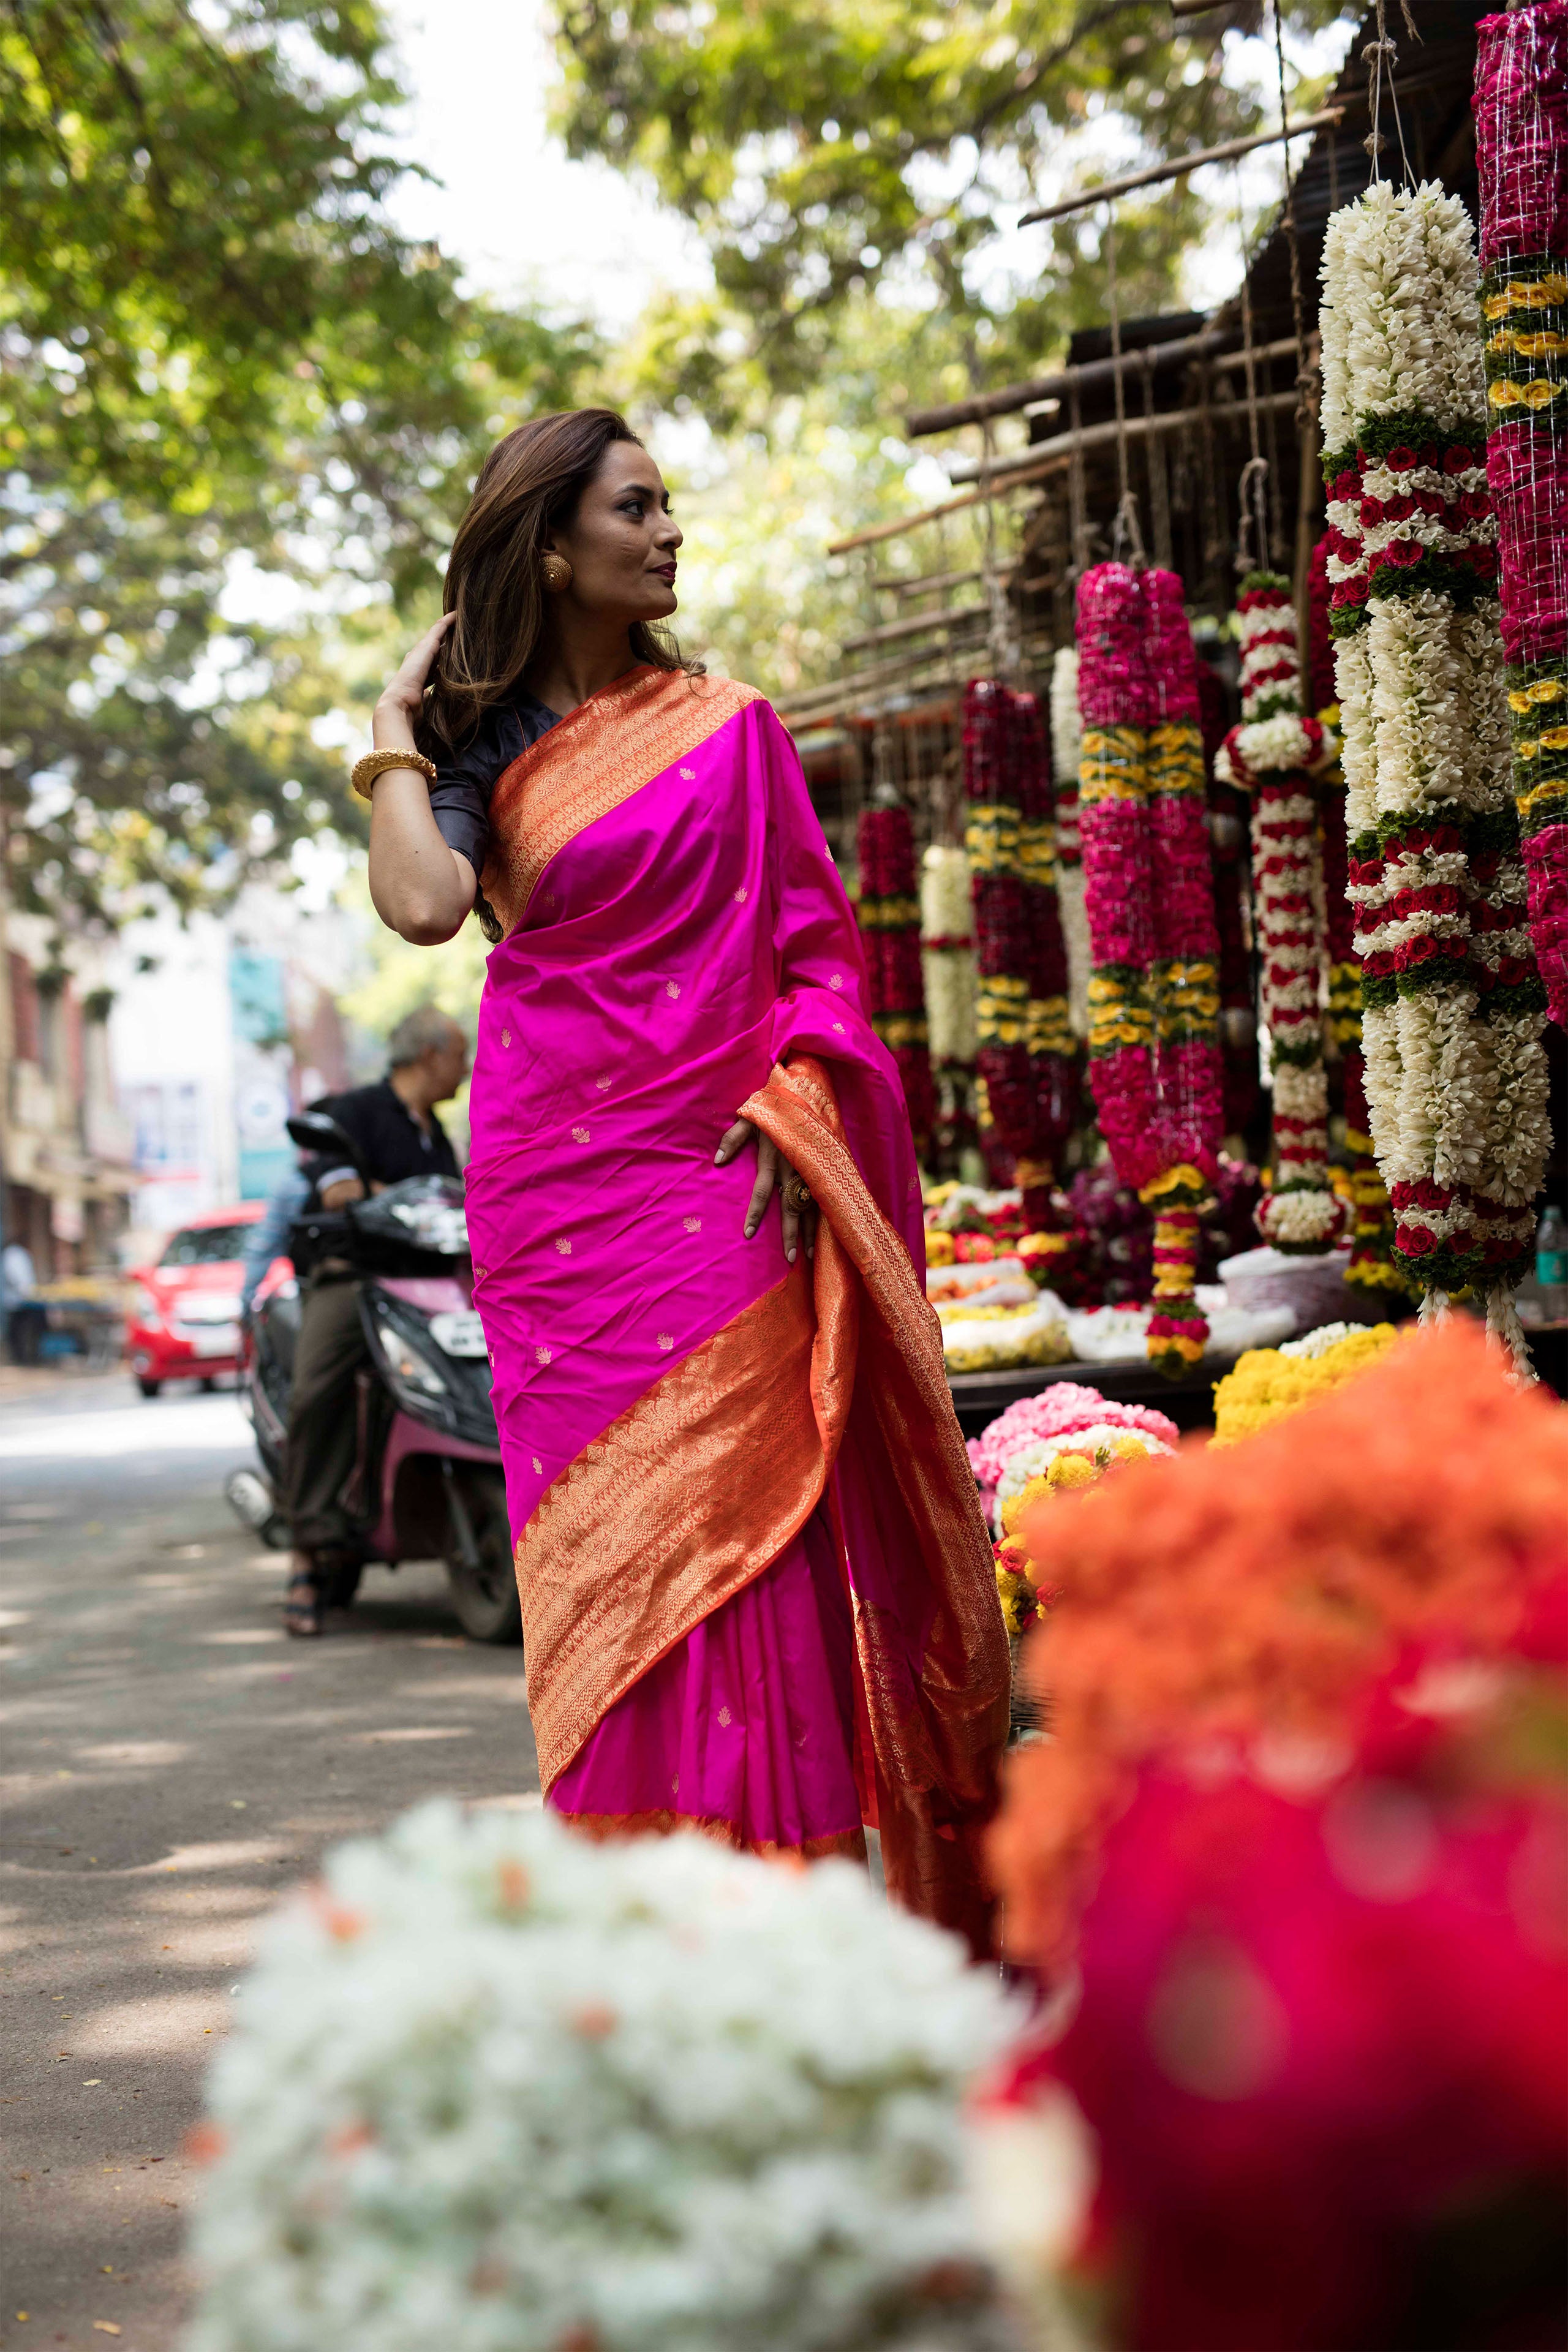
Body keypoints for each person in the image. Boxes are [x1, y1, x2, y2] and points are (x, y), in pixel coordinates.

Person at [357, 408, 1007, 1951]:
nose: (664, 533)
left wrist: (800, 1103)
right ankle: (636, 1944)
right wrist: (393, 722)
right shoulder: (483, 745)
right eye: (632, 508)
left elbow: (813, 957)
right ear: (551, 543)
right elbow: (421, 905)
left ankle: (789, 1930)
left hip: (719, 1173)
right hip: (555, 1206)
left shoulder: (732, 728)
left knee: (748, 1538)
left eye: (664, 505)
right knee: (606, 1565)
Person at [282, 1006, 469, 1636]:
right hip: (354, 1278)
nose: (466, 1072)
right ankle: (306, 1551)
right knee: (318, 1392)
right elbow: (338, 1191)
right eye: (460, 1057)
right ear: (431, 1055)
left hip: (431, 1285)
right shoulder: (351, 1112)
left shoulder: (436, 1135)